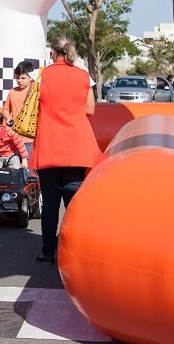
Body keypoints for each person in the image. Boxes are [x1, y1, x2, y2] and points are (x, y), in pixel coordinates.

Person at [29, 33, 102, 264]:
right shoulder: (84, 77)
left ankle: (48, 251)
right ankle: (74, 252)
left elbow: (33, 108)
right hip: (78, 147)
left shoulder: (41, 76)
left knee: (50, 202)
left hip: (49, 147)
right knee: (74, 202)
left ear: (52, 52)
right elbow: (90, 110)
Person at [2, 60, 37, 154]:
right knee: (15, 166)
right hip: (14, 137)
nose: (19, 80)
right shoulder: (12, 91)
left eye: (23, 78)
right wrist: (8, 118)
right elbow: (5, 109)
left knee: (29, 167)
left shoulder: (36, 92)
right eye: (17, 78)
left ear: (31, 78)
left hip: (30, 139)